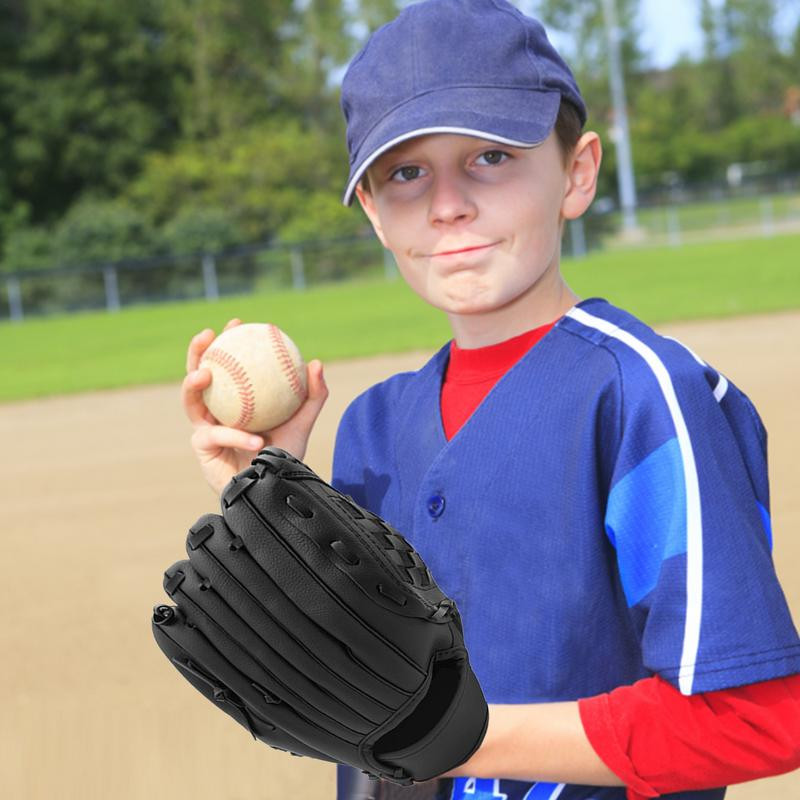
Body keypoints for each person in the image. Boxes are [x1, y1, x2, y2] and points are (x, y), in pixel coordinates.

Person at [181, 1, 800, 798]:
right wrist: (269, 495)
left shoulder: (643, 396)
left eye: (491, 157)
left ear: (576, 172)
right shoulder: (372, 427)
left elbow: (753, 716)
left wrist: (459, 739)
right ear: (372, 210)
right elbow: (359, 693)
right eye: (406, 173)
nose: (448, 204)